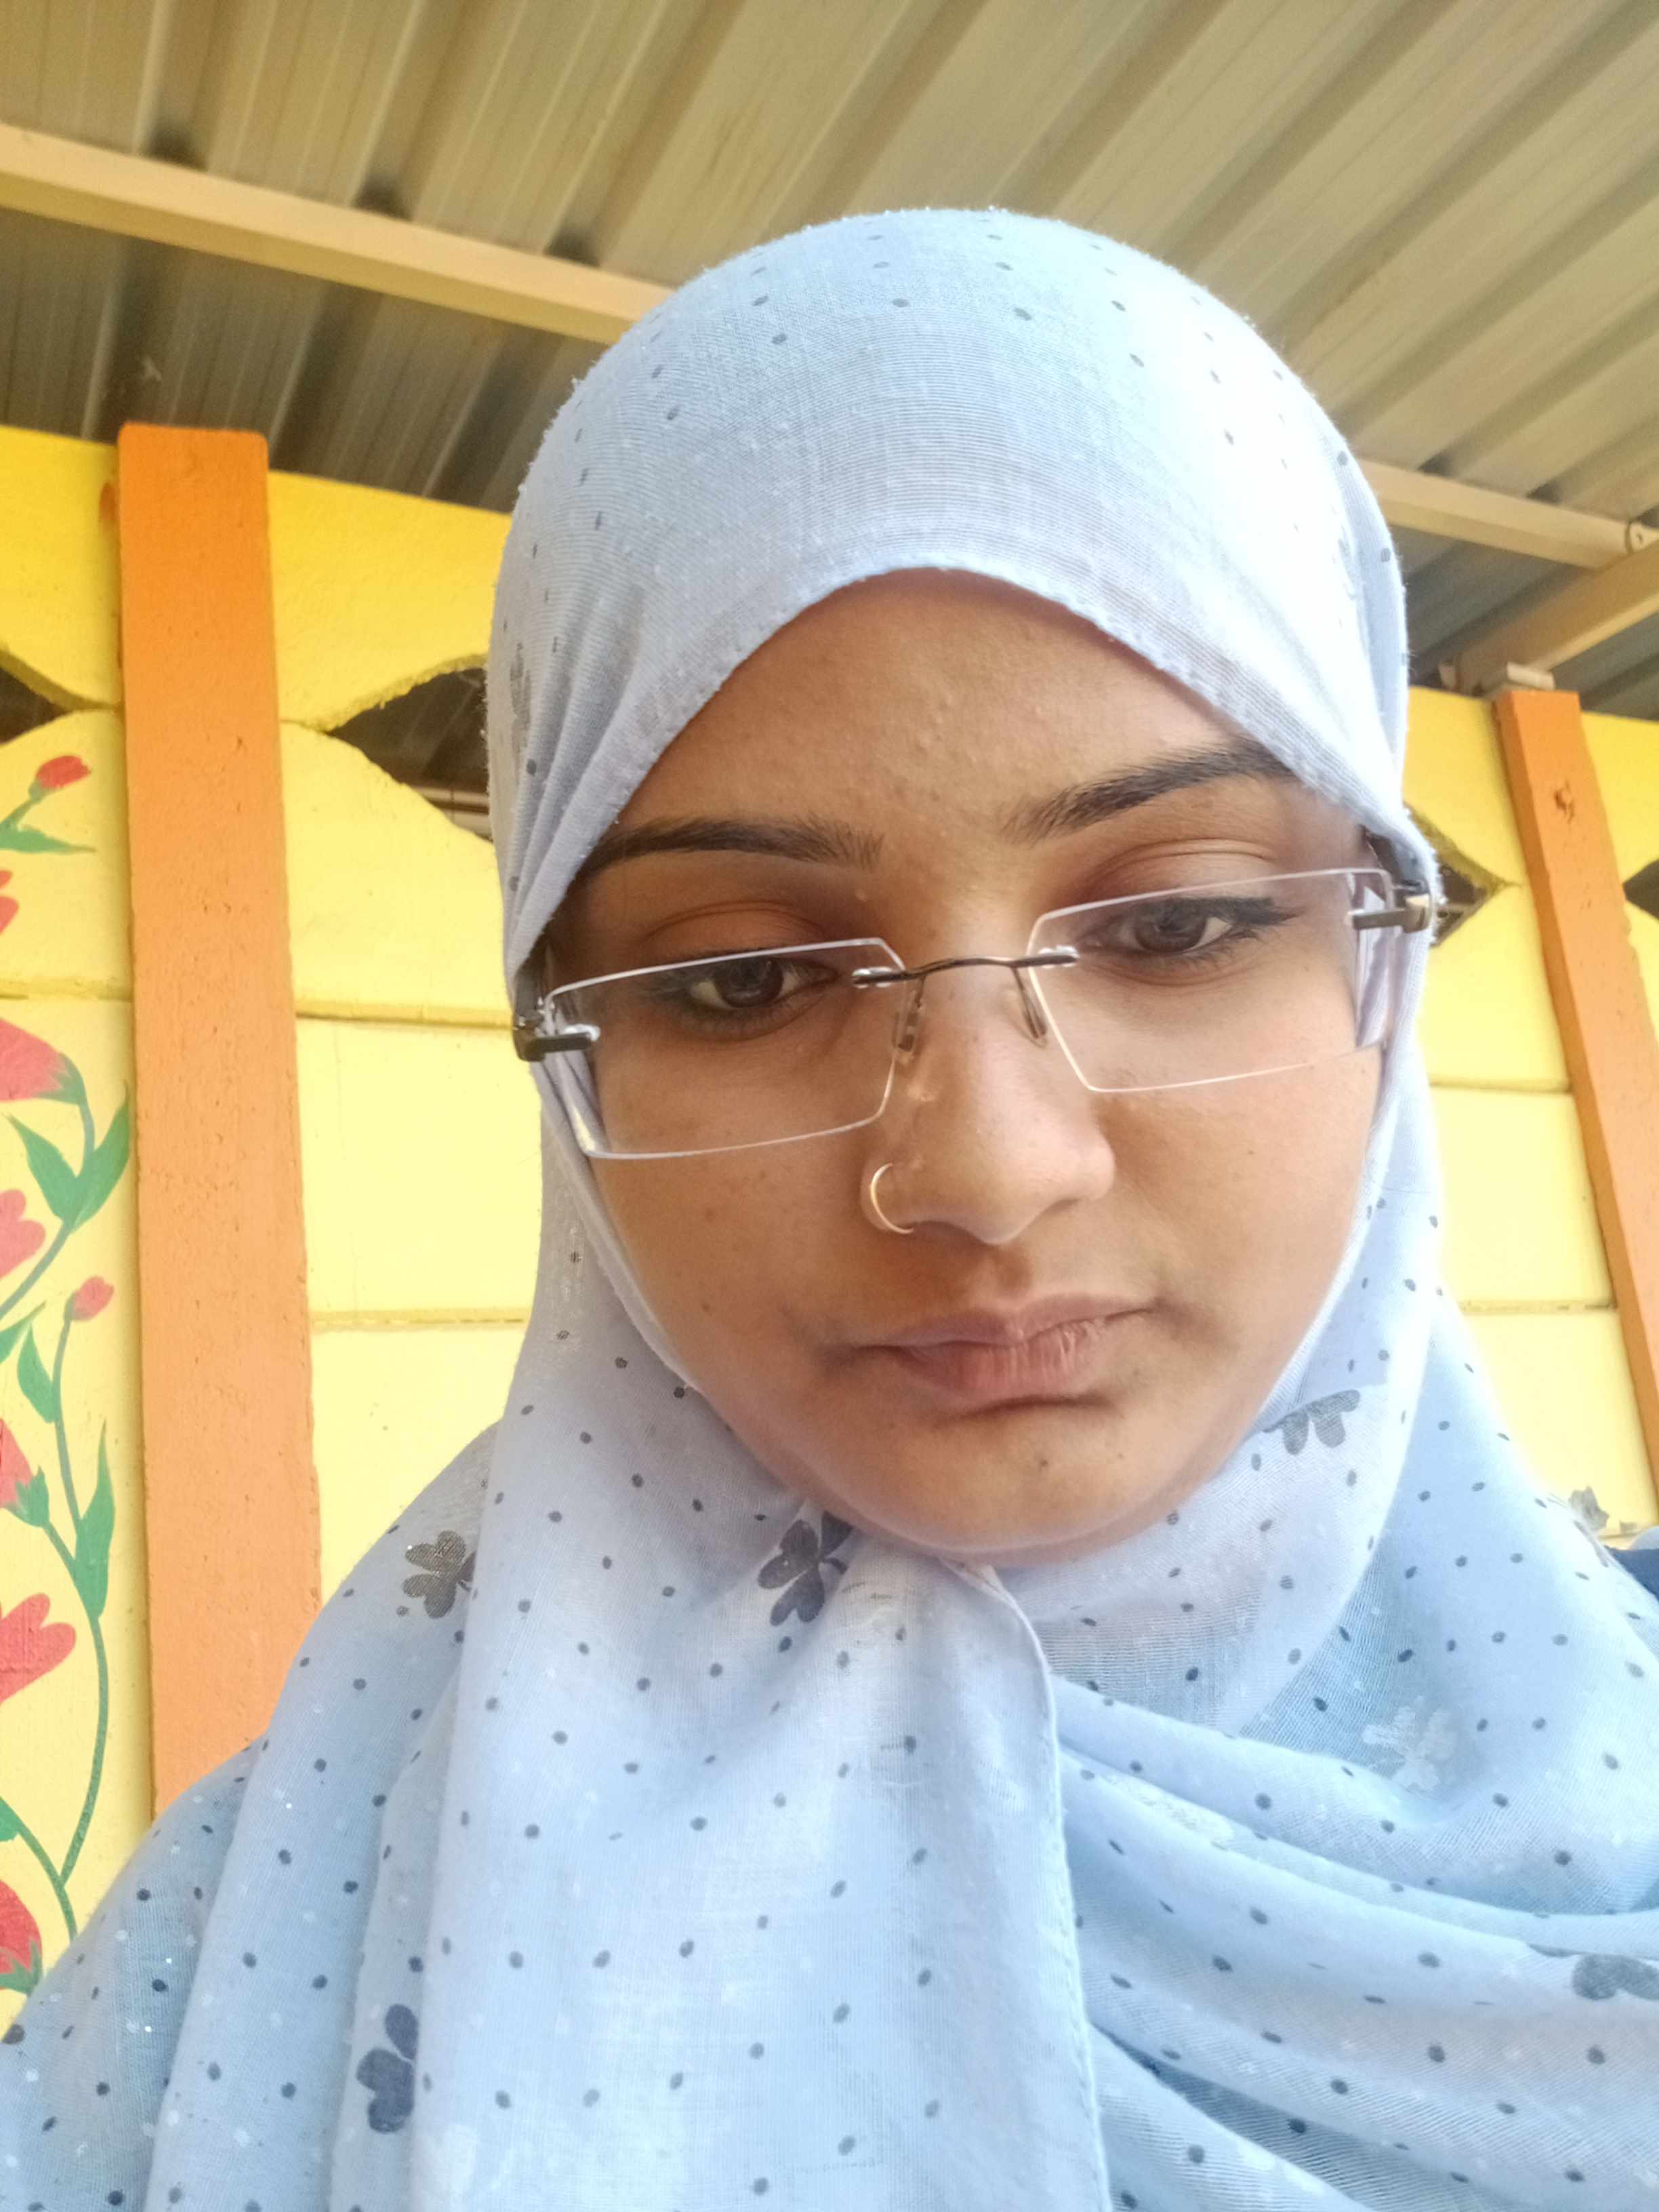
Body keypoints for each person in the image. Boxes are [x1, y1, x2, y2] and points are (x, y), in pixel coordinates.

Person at [5, 205, 1658, 2212]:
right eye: (741, 978)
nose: (986, 1168)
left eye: (1180, 923)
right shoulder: (253, 1956)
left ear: (1376, 957)